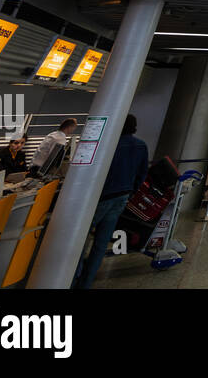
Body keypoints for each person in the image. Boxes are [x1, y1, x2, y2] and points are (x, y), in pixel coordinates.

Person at [73, 115, 148, 289]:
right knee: (100, 244)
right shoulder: (141, 145)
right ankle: (85, 283)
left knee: (79, 240)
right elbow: (141, 173)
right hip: (122, 196)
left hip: (101, 197)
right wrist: (131, 191)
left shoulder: (110, 145)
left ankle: (72, 278)